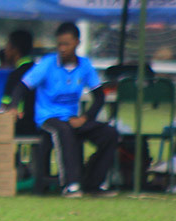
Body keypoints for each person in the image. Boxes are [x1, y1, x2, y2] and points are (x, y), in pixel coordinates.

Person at [6, 22, 118, 198]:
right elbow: (22, 86)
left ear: (77, 43)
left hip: (72, 117)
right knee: (64, 131)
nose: (62, 48)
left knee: (109, 134)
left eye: (67, 44)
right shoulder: (48, 64)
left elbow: (99, 96)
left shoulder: (85, 66)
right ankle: (70, 185)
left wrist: (86, 117)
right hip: (48, 118)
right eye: (59, 44)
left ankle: (93, 184)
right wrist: (13, 107)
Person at [0, 29, 38, 136]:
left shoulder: (16, 75)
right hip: (40, 123)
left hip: (23, 125)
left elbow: (5, 106)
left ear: (14, 49)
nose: (5, 50)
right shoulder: (38, 71)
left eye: (7, 46)